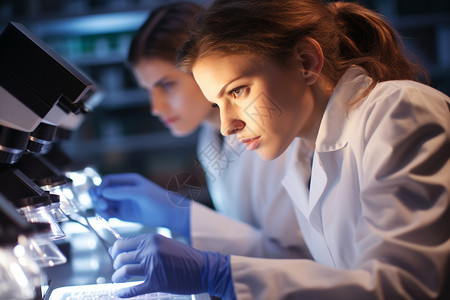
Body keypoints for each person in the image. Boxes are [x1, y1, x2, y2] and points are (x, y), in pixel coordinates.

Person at [106, 0, 450, 299]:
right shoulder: (302, 152)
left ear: (306, 60)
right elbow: (331, 278)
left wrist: (221, 274)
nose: (227, 126)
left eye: (238, 91)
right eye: (216, 102)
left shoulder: (400, 111)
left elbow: (403, 287)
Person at [90, 0, 311, 292]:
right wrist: (181, 217)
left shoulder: (271, 135)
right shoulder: (211, 137)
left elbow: (297, 263)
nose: (155, 107)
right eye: (148, 91)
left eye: (166, 85)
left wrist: (185, 218)